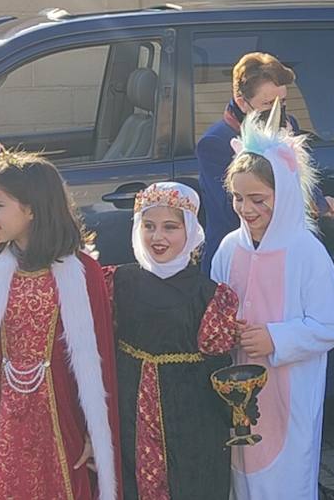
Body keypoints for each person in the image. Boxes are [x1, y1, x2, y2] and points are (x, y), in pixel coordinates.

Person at [0, 149, 121, 500]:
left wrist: (93, 432)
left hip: (61, 414)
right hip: (0, 412)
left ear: (32, 208)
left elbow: (98, 364)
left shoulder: (82, 275)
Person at [210, 102, 334, 499]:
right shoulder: (228, 249)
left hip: (289, 390)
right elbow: (215, 308)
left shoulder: (306, 252)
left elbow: (333, 324)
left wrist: (277, 338)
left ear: (284, 193)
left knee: (285, 479)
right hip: (237, 393)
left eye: (258, 198)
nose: (247, 209)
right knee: (242, 474)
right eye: (239, 198)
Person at [109, 182, 241, 499]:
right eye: (149, 226)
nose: (158, 237)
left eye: (170, 227)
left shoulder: (211, 296)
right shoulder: (117, 282)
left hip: (194, 418)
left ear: (191, 231)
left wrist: (234, 414)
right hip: (130, 412)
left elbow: (219, 365)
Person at [196, 51, 334, 272]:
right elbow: (228, 211)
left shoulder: (286, 123)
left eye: (282, 102)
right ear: (242, 103)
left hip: (285, 250)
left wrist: (319, 203)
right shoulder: (216, 142)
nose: (277, 112)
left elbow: (298, 177)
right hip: (240, 256)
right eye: (268, 104)